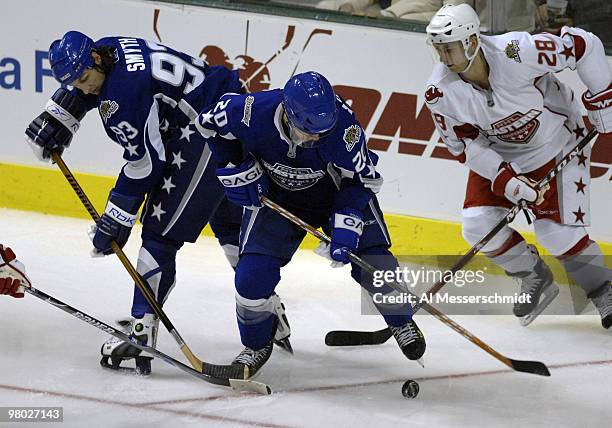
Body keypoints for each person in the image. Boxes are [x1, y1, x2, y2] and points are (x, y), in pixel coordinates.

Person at [24, 31, 291, 374]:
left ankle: (141, 334)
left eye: (85, 78)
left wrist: (115, 219)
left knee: (159, 235)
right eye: (75, 82)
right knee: (230, 227)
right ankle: (266, 310)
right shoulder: (109, 47)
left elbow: (146, 164)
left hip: (207, 133)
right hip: (231, 111)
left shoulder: (121, 97)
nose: (84, 87)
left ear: (94, 59)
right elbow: (90, 90)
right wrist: (57, 117)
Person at [195, 71, 426, 377]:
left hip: (336, 196)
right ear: (288, 115)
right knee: (251, 279)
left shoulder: (344, 128)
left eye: (322, 131)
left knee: (376, 264)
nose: (316, 138)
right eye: (308, 132)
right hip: (278, 198)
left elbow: (361, 181)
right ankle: (256, 344)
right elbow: (208, 126)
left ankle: (400, 321)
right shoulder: (250, 110)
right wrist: (234, 166)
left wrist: (346, 225)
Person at [424, 4, 612, 327]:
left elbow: (584, 46)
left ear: (471, 42)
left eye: (449, 48)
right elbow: (464, 146)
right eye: (438, 49)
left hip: (556, 141)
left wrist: (603, 97)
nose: (443, 57)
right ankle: (533, 274)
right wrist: (507, 179)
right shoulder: (440, 92)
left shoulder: (516, 51)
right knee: (476, 224)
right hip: (501, 154)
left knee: (557, 234)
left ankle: (603, 289)